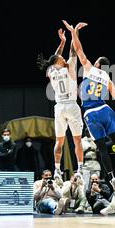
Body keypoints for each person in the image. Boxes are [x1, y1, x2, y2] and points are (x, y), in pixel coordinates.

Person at [62, 20, 115, 189]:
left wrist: (74, 32)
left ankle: (112, 178)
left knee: (101, 148)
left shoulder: (89, 68)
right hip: (106, 110)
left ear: (98, 64)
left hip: (91, 113)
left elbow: (78, 49)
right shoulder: (107, 79)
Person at [36, 28, 84, 178]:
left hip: (59, 107)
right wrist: (73, 33)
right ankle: (80, 168)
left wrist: (61, 42)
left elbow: (55, 58)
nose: (63, 59)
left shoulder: (51, 71)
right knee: (77, 140)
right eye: (61, 59)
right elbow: (73, 50)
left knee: (59, 141)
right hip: (71, 105)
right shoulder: (69, 67)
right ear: (60, 62)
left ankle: (57, 169)